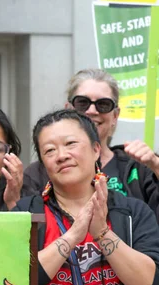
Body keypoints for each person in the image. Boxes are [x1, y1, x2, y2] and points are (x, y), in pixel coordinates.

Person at [14, 109, 159, 285]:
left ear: (95, 150)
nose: (61, 155)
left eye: (70, 144)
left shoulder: (132, 211)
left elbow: (148, 284)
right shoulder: (26, 213)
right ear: (43, 163)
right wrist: (73, 235)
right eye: (49, 150)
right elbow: (18, 281)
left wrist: (102, 233)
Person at [23, 68, 159, 223]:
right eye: (83, 103)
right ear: (68, 109)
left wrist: (156, 166)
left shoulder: (140, 168)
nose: (92, 110)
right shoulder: (39, 172)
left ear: (115, 115)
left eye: (103, 104)